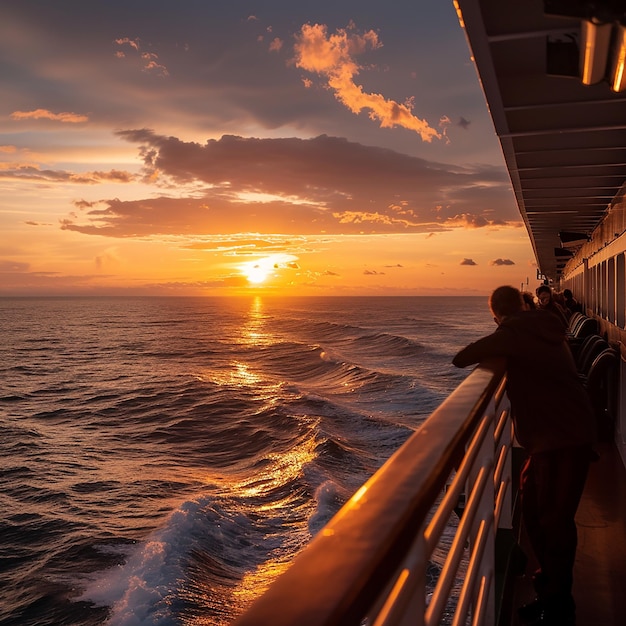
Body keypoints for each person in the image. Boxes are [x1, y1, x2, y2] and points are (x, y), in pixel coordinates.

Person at [452, 286, 595, 626]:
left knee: (553, 523)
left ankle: (559, 606)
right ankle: (549, 593)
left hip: (560, 440)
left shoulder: (514, 333)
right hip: (561, 434)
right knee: (536, 512)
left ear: (497, 314)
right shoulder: (545, 322)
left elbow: (462, 357)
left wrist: (502, 332)